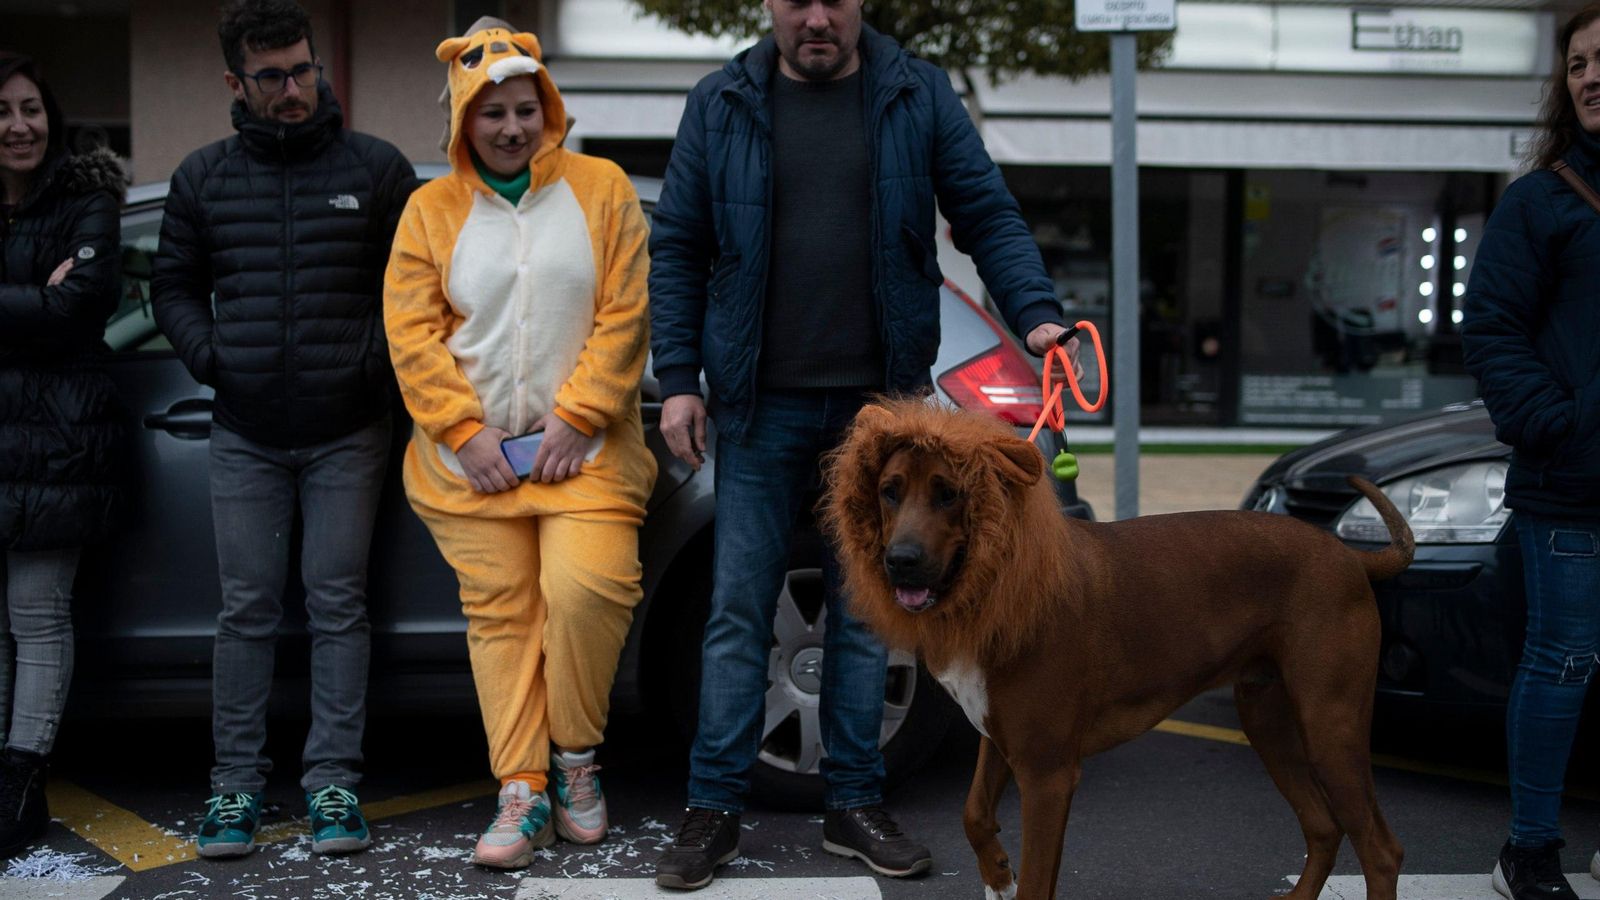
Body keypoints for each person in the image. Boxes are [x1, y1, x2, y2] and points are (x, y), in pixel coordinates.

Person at [648, 0, 1076, 889]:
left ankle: (853, 801)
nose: (817, 18)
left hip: (881, 417)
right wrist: (680, 375)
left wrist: (1035, 314)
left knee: (866, 615)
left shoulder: (916, 94)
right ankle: (713, 809)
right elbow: (680, 246)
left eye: (835, 1)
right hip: (758, 407)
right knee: (737, 610)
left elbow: (985, 212)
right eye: (797, 1)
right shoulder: (720, 102)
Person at [383, 27, 656, 870]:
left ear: (550, 110)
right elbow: (412, 332)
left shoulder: (602, 188)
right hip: (475, 466)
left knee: (587, 591)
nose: (511, 128)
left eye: (525, 109)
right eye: (491, 112)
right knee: (501, 616)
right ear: (464, 121)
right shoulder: (430, 210)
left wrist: (581, 415)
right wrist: (464, 432)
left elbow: (626, 309)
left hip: (587, 454)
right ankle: (521, 787)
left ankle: (576, 759)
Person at [150, 0, 417, 860]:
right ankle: (234, 789)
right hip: (246, 430)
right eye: (272, 76)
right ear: (236, 83)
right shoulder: (203, 177)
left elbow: (417, 287)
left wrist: (371, 367)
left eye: (303, 69)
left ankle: (333, 783)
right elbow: (172, 287)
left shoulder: (376, 168)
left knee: (338, 605)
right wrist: (213, 358)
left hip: (350, 429)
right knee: (247, 610)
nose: (294, 88)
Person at [1462, 7, 1600, 899]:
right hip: (1570, 488)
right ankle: (1531, 850)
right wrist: (1560, 423)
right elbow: (1491, 330)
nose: (1591, 76)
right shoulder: (1540, 202)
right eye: (1578, 63)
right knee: (1563, 661)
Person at [0, 52, 125, 859]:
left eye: (31, 109)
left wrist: (56, 304)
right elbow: (49, 310)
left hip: (58, 436)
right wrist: (36, 303)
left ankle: (21, 783)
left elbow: (81, 306)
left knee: (36, 613)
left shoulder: (88, 199)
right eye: (2, 111)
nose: (20, 126)